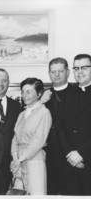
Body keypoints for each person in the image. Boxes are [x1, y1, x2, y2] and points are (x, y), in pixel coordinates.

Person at [11, 78, 52, 195]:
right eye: (22, 92)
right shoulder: (21, 114)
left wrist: (20, 159)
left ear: (39, 94)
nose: (24, 95)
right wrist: (15, 159)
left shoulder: (44, 113)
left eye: (28, 92)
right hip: (18, 161)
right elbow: (15, 139)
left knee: (36, 194)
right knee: (18, 194)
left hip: (35, 161)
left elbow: (38, 141)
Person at [58, 54, 91, 195]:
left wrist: (81, 153)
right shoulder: (68, 94)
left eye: (84, 67)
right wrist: (70, 154)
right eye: (76, 68)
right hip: (70, 162)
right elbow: (60, 127)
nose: (80, 72)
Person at [44, 57, 78, 195]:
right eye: (53, 72)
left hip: (73, 156)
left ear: (68, 72)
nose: (56, 75)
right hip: (49, 158)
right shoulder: (44, 96)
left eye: (60, 71)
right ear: (49, 73)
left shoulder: (78, 93)